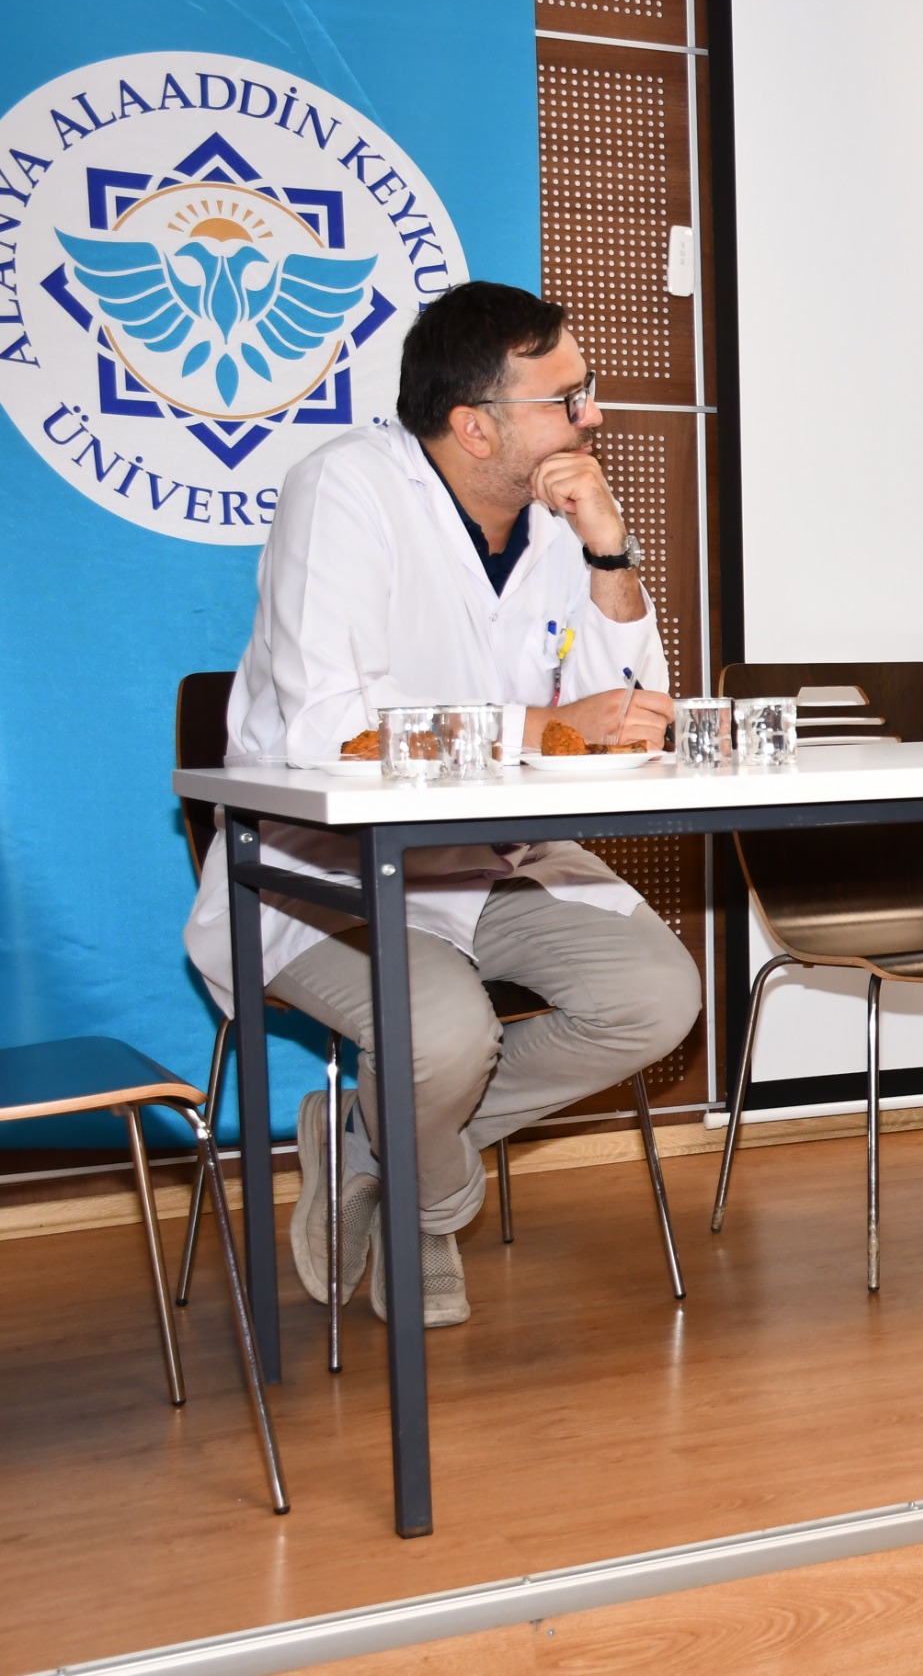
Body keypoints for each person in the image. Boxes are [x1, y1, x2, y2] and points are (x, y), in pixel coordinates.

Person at [182, 281, 703, 1327]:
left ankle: (375, 1148)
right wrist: (546, 727)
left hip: (496, 856)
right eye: (568, 397)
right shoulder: (343, 490)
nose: (593, 414)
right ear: (475, 426)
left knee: (657, 998)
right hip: (319, 864)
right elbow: (330, 730)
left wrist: (609, 549)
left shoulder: (556, 521)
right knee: (445, 1033)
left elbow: (633, 715)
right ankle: (427, 1203)